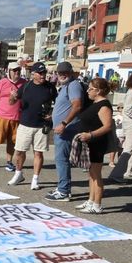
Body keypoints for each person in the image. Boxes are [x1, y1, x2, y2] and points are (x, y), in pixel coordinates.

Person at [71, 77, 115, 214]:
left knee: (96, 175)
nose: (88, 91)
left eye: (91, 89)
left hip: (97, 144)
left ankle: (97, 204)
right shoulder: (94, 103)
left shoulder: (104, 105)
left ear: (99, 91)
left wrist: (91, 135)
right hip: (89, 144)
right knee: (91, 174)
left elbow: (107, 126)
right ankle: (91, 200)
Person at [9, 62, 53, 189]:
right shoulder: (26, 86)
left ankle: (35, 179)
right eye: (40, 73)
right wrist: (12, 97)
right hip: (25, 124)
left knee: (38, 153)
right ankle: (18, 174)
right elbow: (12, 102)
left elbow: (58, 103)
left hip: (42, 126)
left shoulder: (50, 87)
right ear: (33, 74)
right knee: (19, 151)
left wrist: (52, 115)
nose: (43, 75)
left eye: (44, 72)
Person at [47, 61, 85, 202]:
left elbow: (77, 105)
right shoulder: (65, 86)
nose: (62, 74)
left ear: (70, 72)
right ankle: (62, 187)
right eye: (60, 72)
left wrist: (63, 123)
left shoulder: (73, 85)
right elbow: (67, 107)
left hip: (66, 130)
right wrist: (53, 116)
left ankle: (63, 191)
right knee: (61, 159)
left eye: (65, 72)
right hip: (62, 129)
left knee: (62, 159)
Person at [0, 62, 24, 170]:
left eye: (19, 70)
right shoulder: (2, 82)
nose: (17, 72)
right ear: (9, 71)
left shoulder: (24, 83)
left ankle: (9, 161)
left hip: (16, 118)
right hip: (2, 117)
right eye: (14, 70)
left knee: (12, 141)